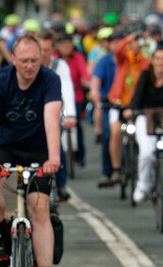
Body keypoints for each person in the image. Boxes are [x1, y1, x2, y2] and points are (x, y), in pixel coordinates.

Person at [0, 34, 62, 267]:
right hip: (5, 147)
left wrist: (54, 158)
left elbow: (51, 122)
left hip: (39, 150)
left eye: (35, 60)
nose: (29, 66)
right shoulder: (0, 80)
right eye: (24, 61)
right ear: (13, 60)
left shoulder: (50, 80)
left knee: (40, 210)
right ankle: (0, 228)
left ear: (41, 59)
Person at [129, 47, 163, 203]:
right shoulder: (145, 76)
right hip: (146, 117)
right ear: (152, 61)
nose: (160, 62)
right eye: (157, 58)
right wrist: (131, 110)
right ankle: (143, 186)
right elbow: (137, 97)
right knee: (146, 152)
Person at [102, 32, 150, 187]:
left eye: (138, 42)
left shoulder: (145, 61)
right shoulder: (124, 58)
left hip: (136, 105)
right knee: (115, 132)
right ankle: (116, 168)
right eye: (133, 42)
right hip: (118, 102)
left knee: (142, 135)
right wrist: (129, 37)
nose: (136, 45)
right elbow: (117, 50)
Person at [38, 30, 78, 202]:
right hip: (33, 113)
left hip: (55, 112)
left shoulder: (59, 65)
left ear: (52, 49)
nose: (42, 53)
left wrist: (70, 115)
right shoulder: (30, 64)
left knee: (57, 146)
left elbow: (67, 90)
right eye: (40, 48)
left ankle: (61, 184)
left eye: (46, 49)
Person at [91, 30, 122, 188]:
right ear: (108, 45)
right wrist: (95, 94)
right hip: (110, 104)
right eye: (114, 42)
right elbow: (95, 81)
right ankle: (107, 171)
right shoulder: (104, 61)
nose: (117, 45)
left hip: (129, 105)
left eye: (120, 41)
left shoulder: (130, 61)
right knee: (108, 135)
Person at [56, 33, 90, 168]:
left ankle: (80, 156)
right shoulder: (54, 59)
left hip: (77, 94)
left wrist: (88, 83)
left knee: (78, 125)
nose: (65, 47)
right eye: (63, 45)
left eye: (68, 45)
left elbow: (85, 74)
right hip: (57, 96)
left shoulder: (78, 57)